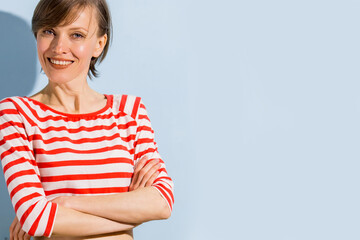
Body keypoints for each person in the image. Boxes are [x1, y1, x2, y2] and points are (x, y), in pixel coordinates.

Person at [0, 0, 174, 239]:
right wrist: (132, 216)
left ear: (99, 44)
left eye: (77, 35)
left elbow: (162, 202)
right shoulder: (16, 113)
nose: (59, 47)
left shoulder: (130, 111)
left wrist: (67, 204)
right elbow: (36, 219)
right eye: (49, 32)